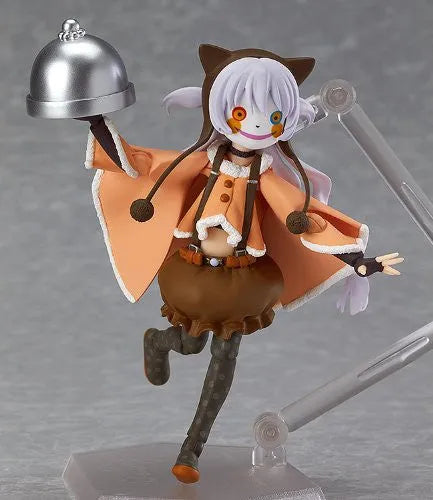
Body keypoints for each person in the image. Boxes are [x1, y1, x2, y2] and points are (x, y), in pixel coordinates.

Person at [79, 44, 403, 483]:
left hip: (242, 281)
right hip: (192, 274)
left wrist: (357, 261)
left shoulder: (266, 176)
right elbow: (142, 165)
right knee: (191, 344)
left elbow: (302, 218)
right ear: (219, 109)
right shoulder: (201, 162)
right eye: (240, 114)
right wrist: (97, 122)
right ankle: (159, 341)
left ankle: (191, 450)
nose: (255, 126)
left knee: (224, 357)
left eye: (273, 117)